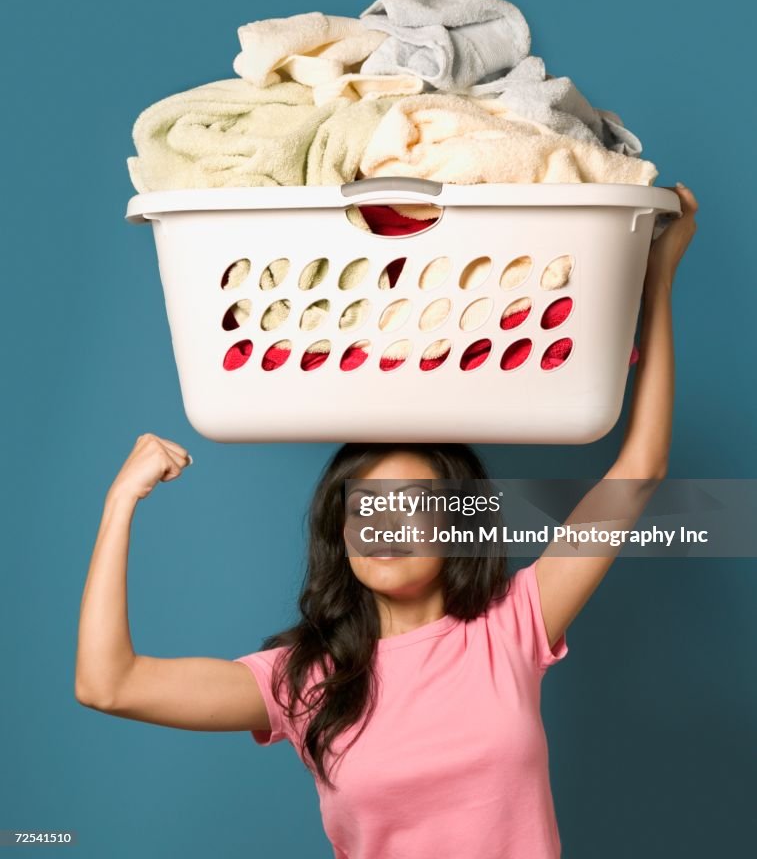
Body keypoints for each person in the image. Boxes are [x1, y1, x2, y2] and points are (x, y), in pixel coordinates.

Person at [75, 184, 698, 858]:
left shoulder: (512, 625)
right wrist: (119, 503)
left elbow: (638, 473)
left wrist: (656, 280)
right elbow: (109, 685)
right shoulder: (304, 680)